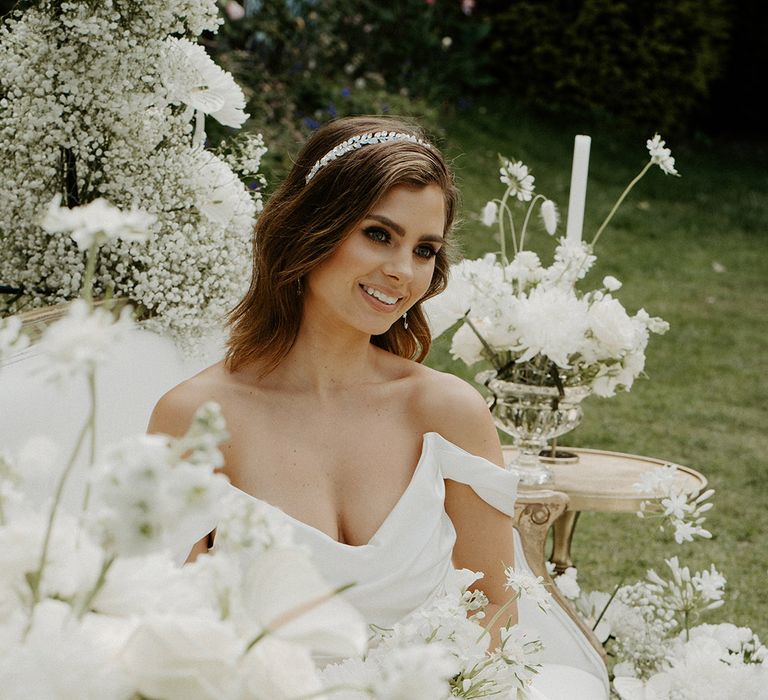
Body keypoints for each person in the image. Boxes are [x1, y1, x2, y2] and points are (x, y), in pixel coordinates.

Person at [149, 115, 608, 699]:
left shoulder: (445, 412)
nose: (402, 271)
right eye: (378, 235)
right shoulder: (198, 415)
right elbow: (168, 627)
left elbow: (495, 604)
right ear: (311, 229)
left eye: (424, 250)